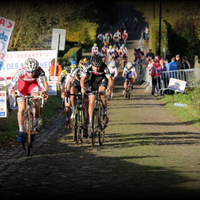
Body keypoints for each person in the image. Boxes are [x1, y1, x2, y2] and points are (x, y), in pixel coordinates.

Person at [9, 58, 49, 143]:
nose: (31, 74)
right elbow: (11, 86)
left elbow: (42, 86)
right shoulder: (20, 72)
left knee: (36, 101)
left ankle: (36, 123)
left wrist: (43, 92)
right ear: (25, 69)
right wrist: (13, 92)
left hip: (32, 86)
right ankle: (21, 131)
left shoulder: (39, 72)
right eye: (29, 72)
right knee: (21, 110)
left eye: (33, 72)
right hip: (22, 86)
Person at [80, 54, 112, 137]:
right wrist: (83, 87)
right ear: (92, 64)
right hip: (93, 80)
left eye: (98, 67)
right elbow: (82, 79)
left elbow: (110, 79)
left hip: (102, 79)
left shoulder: (104, 67)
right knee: (91, 102)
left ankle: (104, 113)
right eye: (95, 67)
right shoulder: (87, 66)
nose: (97, 68)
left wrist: (108, 88)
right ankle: (91, 121)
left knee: (101, 93)